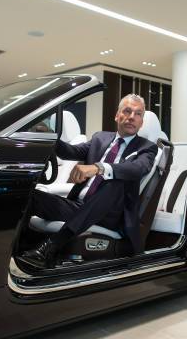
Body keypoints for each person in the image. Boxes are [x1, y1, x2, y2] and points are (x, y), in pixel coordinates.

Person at [21, 94, 158, 268]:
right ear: (117, 115)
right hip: (81, 207)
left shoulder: (147, 148)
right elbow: (69, 152)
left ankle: (51, 247)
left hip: (111, 215)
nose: (132, 117)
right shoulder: (101, 138)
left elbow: (138, 169)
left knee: (116, 181)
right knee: (32, 197)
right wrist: (48, 135)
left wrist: (98, 168)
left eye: (138, 114)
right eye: (127, 111)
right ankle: (20, 246)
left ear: (141, 122)